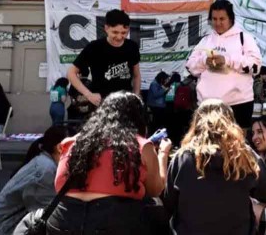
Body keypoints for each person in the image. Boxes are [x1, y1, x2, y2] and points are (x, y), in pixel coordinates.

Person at [46, 92, 172, 235]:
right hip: (114, 223)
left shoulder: (72, 142)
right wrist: (163, 154)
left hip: (62, 221)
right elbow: (155, 190)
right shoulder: (142, 146)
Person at [163, 99, 266, 235]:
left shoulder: (182, 158)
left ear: (197, 125)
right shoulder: (245, 155)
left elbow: (168, 204)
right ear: (231, 125)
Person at [185, 0, 262, 129]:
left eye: (222, 19)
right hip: (207, 106)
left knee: (236, 147)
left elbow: (255, 66)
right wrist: (205, 61)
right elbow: (190, 65)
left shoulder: (244, 38)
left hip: (238, 105)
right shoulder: (205, 41)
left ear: (231, 19)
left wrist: (228, 60)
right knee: (208, 147)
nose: (218, 23)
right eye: (214, 19)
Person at [0, 126, 67, 235]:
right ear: (60, 148)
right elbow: (49, 216)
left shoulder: (44, 162)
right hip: (1, 230)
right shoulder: (46, 170)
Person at [67, 9, 141, 108]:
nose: (119, 37)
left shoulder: (132, 47)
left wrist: (136, 95)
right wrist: (89, 95)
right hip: (101, 105)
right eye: (115, 32)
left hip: (125, 104)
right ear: (106, 28)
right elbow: (71, 73)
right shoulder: (94, 47)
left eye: (124, 33)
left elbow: (136, 75)